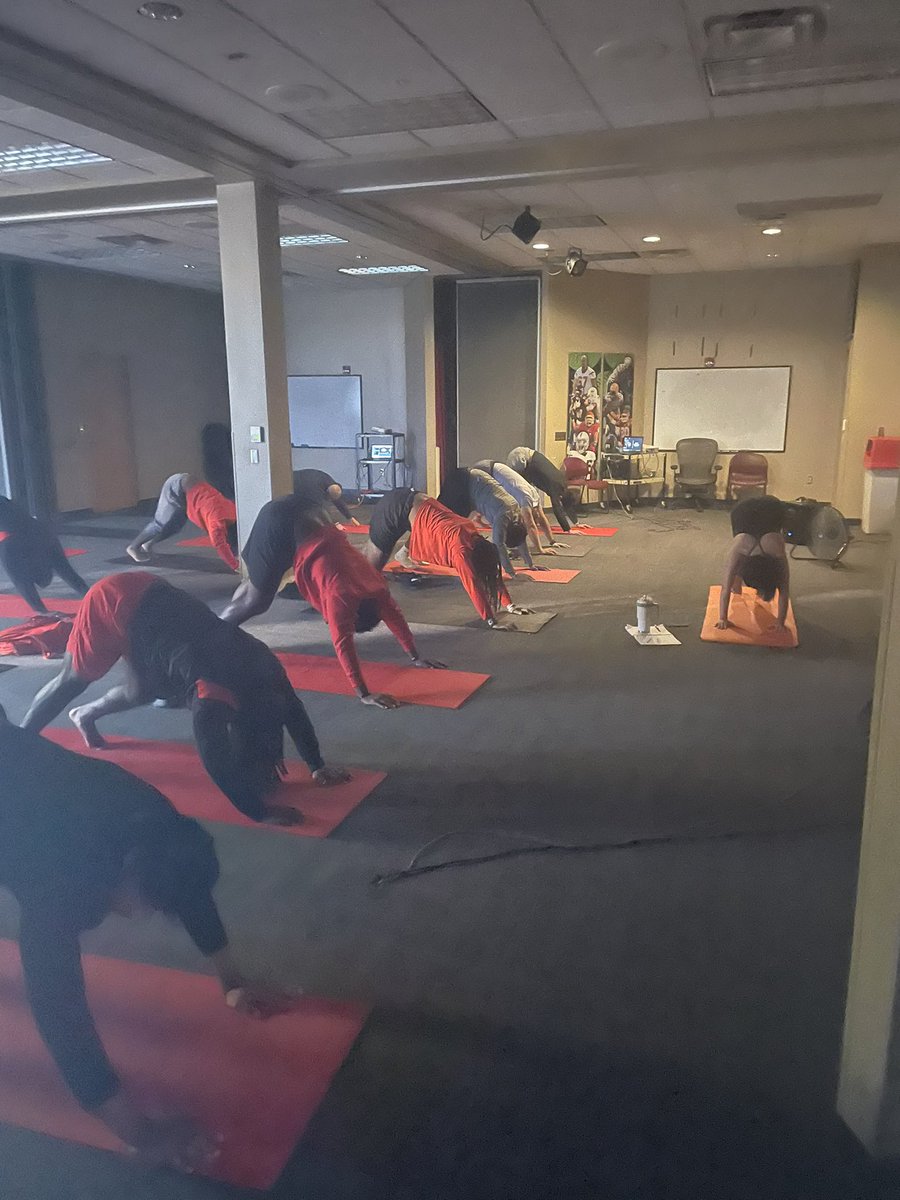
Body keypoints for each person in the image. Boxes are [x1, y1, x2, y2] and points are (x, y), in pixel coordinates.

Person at [0, 704, 297, 1170]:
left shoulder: (154, 819)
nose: (140, 916)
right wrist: (137, 1131)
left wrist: (232, 981)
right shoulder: (56, 878)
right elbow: (59, 1005)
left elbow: (189, 888)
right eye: (143, 902)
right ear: (121, 871)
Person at [22, 572, 348, 825]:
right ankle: (15, 742)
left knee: (142, 691)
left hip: (156, 599)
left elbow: (291, 708)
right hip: (114, 602)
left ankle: (85, 715)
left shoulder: (263, 665)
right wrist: (257, 813)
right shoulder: (212, 693)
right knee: (71, 682)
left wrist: (316, 766)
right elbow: (213, 756)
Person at [221, 506, 444, 710]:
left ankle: (225, 624)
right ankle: (213, 634)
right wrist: (363, 693)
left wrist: (416, 656)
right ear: (353, 615)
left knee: (257, 588)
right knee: (257, 600)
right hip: (281, 522)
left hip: (308, 513)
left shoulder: (377, 588)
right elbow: (343, 645)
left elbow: (395, 618)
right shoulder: (342, 599)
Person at [362, 488, 532, 627]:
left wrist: (509, 605)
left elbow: (491, 572)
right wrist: (490, 620)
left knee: (377, 562)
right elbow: (473, 585)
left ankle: (404, 553)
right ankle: (351, 593)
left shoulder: (474, 535)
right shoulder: (461, 553)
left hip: (414, 500)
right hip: (395, 508)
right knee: (372, 567)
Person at [126, 473, 238, 571]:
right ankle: (133, 547)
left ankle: (148, 544)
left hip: (190, 493)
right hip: (176, 486)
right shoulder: (216, 523)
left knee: (175, 526)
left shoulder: (233, 513)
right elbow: (219, 544)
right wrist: (235, 566)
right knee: (160, 523)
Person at [0, 496, 89, 614]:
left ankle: (42, 610)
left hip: (21, 537)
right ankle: (91, 596)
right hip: (38, 530)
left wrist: (41, 611)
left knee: (23, 578)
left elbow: (21, 581)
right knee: (63, 568)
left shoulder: (9, 544)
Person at [716, 495, 790, 631]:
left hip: (772, 509)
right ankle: (737, 587)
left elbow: (785, 590)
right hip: (743, 511)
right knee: (734, 567)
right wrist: (722, 618)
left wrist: (781, 622)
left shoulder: (775, 547)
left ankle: (737, 586)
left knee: (735, 566)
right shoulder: (741, 544)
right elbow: (784, 590)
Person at [438, 467, 530, 575]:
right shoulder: (504, 515)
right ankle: (425, 547)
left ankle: (441, 551)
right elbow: (498, 543)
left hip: (471, 481)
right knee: (442, 518)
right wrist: (512, 573)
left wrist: (530, 564)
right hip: (462, 482)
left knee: (454, 522)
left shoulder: (516, 514)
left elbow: (521, 537)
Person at [473, 460, 564, 559]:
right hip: (485, 470)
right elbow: (530, 525)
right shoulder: (526, 498)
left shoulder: (535, 497)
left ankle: (478, 519)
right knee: (497, 507)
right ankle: (495, 545)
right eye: (535, 520)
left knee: (499, 506)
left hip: (491, 467)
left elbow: (542, 518)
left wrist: (552, 541)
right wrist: (540, 550)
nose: (537, 522)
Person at [507, 447, 584, 533]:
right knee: (515, 488)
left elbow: (567, 505)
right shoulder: (556, 487)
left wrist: (577, 523)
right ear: (562, 496)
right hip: (521, 457)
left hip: (529, 457)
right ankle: (508, 518)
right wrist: (568, 530)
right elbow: (557, 509)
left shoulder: (563, 484)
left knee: (524, 490)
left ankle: (518, 518)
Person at [293, 469, 360, 526]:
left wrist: (349, 517)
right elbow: (320, 511)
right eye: (330, 499)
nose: (330, 501)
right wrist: (332, 526)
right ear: (326, 494)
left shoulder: (332, 485)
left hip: (304, 479)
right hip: (293, 481)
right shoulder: (316, 492)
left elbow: (337, 500)